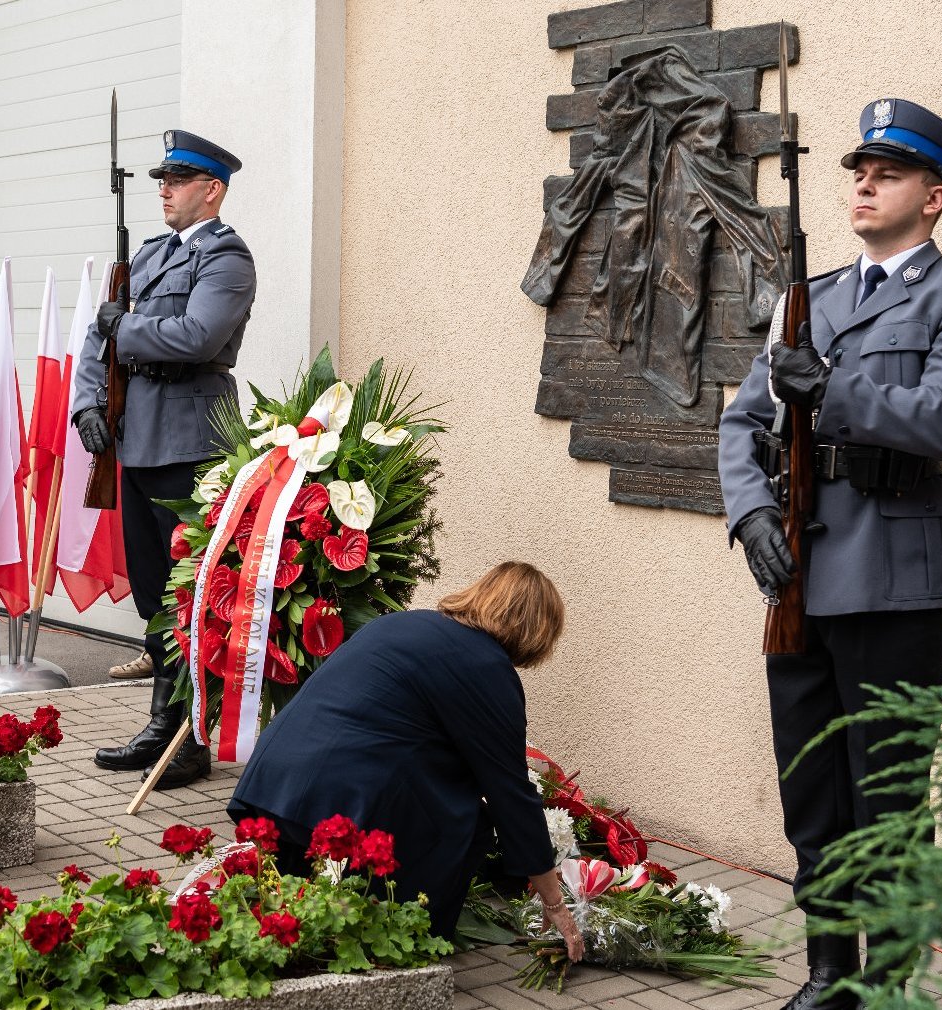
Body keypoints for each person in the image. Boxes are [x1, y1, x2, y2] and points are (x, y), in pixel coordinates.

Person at [717, 98, 942, 1010]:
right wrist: (753, 514)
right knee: (812, 789)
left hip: (891, 579)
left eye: (888, 171)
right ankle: (829, 969)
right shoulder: (815, 299)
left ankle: (890, 979)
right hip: (797, 570)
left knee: (884, 794)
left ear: (936, 196)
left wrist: (834, 388)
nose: (864, 182)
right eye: (858, 170)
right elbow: (743, 422)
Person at [226, 562, 585, 956]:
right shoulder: (487, 666)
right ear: (535, 630)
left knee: (280, 910)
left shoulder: (405, 624)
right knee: (468, 824)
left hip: (275, 778)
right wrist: (554, 901)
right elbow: (509, 792)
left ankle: (301, 932)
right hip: (337, 796)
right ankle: (405, 935)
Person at [74, 130, 257, 790]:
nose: (164, 190)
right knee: (154, 595)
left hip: (192, 442)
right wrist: (88, 405)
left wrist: (123, 327)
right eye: (162, 180)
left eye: (177, 181)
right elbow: (97, 346)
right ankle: (164, 724)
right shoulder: (149, 256)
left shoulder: (226, 259)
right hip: (139, 441)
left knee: (192, 595)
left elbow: (198, 336)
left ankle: (190, 737)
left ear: (212, 190)